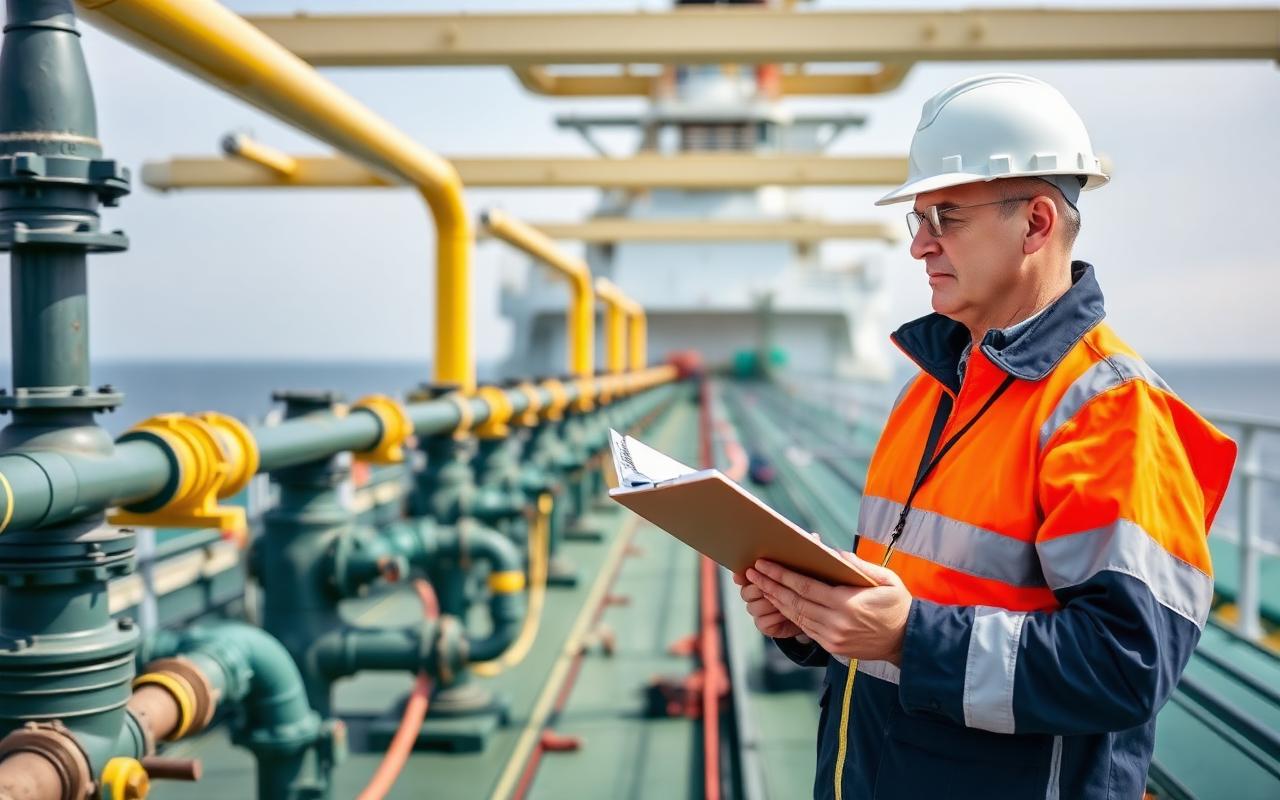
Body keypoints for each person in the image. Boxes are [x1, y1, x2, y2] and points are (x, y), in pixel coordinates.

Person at [734, 73, 1237, 800]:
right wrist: (814, 617)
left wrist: (908, 636)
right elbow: (920, 594)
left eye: (947, 217)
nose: (920, 248)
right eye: (920, 220)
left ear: (1035, 224)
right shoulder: (931, 390)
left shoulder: (1112, 412)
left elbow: (1125, 666)